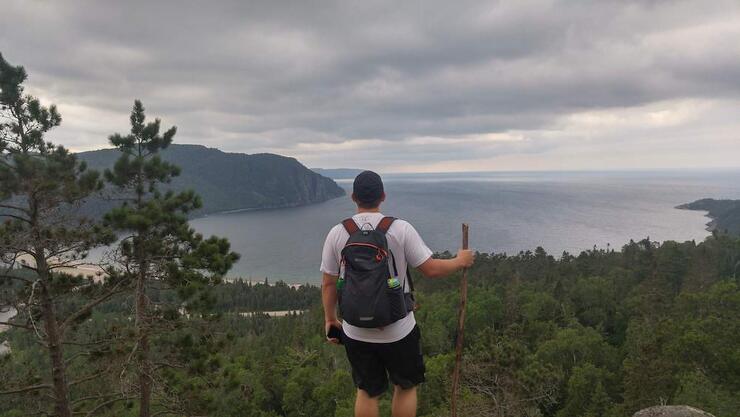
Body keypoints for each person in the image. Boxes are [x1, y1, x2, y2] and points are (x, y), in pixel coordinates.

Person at [320, 170, 475, 417]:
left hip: (355, 331)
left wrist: (330, 319)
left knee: (367, 390)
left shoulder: (338, 233)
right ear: (383, 196)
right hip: (398, 329)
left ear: (353, 197)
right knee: (405, 386)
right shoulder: (400, 229)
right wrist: (460, 261)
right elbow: (431, 269)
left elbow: (328, 284)